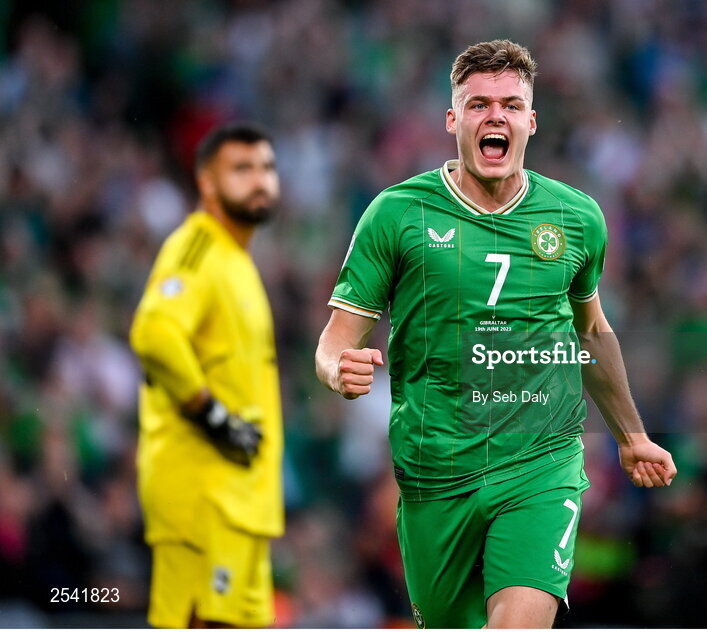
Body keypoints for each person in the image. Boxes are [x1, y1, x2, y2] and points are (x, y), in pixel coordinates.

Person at [314, 40, 677, 629]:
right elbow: (334, 342)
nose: (495, 117)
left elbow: (591, 331)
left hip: (542, 461)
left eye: (510, 105)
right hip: (435, 470)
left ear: (531, 121)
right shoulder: (397, 214)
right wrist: (338, 369)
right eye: (478, 104)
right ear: (453, 119)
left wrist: (631, 435)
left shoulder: (576, 218)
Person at [130, 123, 284, 628]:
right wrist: (213, 416)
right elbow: (155, 332)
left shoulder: (235, 260)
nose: (260, 180)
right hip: (203, 495)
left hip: (242, 501)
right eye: (242, 169)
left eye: (266, 167)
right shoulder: (197, 247)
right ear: (207, 183)